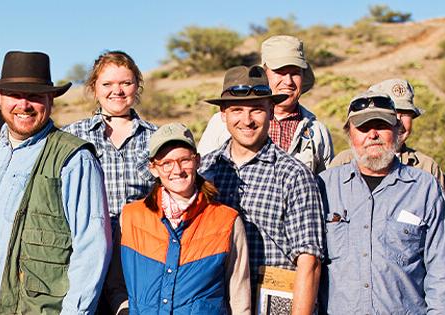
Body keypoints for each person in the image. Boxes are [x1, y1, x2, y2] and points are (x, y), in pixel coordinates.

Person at [0, 51, 111, 314]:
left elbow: (91, 249)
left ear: (50, 100)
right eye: (15, 95)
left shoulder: (73, 159)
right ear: (0, 97)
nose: (24, 105)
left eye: (35, 96)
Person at [317, 91, 445, 314]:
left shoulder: (425, 188)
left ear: (398, 131)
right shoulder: (324, 186)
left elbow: (443, 276)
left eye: (381, 126)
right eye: (363, 127)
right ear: (349, 134)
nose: (372, 134)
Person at [198, 65, 325, 314]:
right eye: (237, 110)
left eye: (256, 110)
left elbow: (309, 262)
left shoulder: (294, 175)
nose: (246, 120)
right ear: (223, 115)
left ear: (270, 111)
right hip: (214, 302)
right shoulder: (205, 171)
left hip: (272, 304)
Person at [107, 123, 250, 314]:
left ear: (197, 161)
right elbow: (116, 284)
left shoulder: (227, 221)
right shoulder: (131, 216)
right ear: (153, 168)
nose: (177, 170)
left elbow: (240, 298)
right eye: (166, 163)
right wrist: (124, 310)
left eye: (185, 160)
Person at [197, 35, 333, 174]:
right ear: (265, 74)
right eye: (279, 72)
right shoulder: (222, 123)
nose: (288, 81)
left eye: (295, 73)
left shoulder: (316, 131)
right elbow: (202, 173)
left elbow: (326, 185)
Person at [63, 50, 158, 224]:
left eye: (126, 83)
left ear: (137, 86)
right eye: (107, 84)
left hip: (144, 241)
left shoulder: (156, 137)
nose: (117, 91)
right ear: (94, 88)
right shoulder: (72, 136)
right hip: (90, 241)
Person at [327, 79, 444, 185]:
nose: (398, 122)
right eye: (391, 115)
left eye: (405, 114)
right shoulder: (343, 162)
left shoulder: (427, 167)